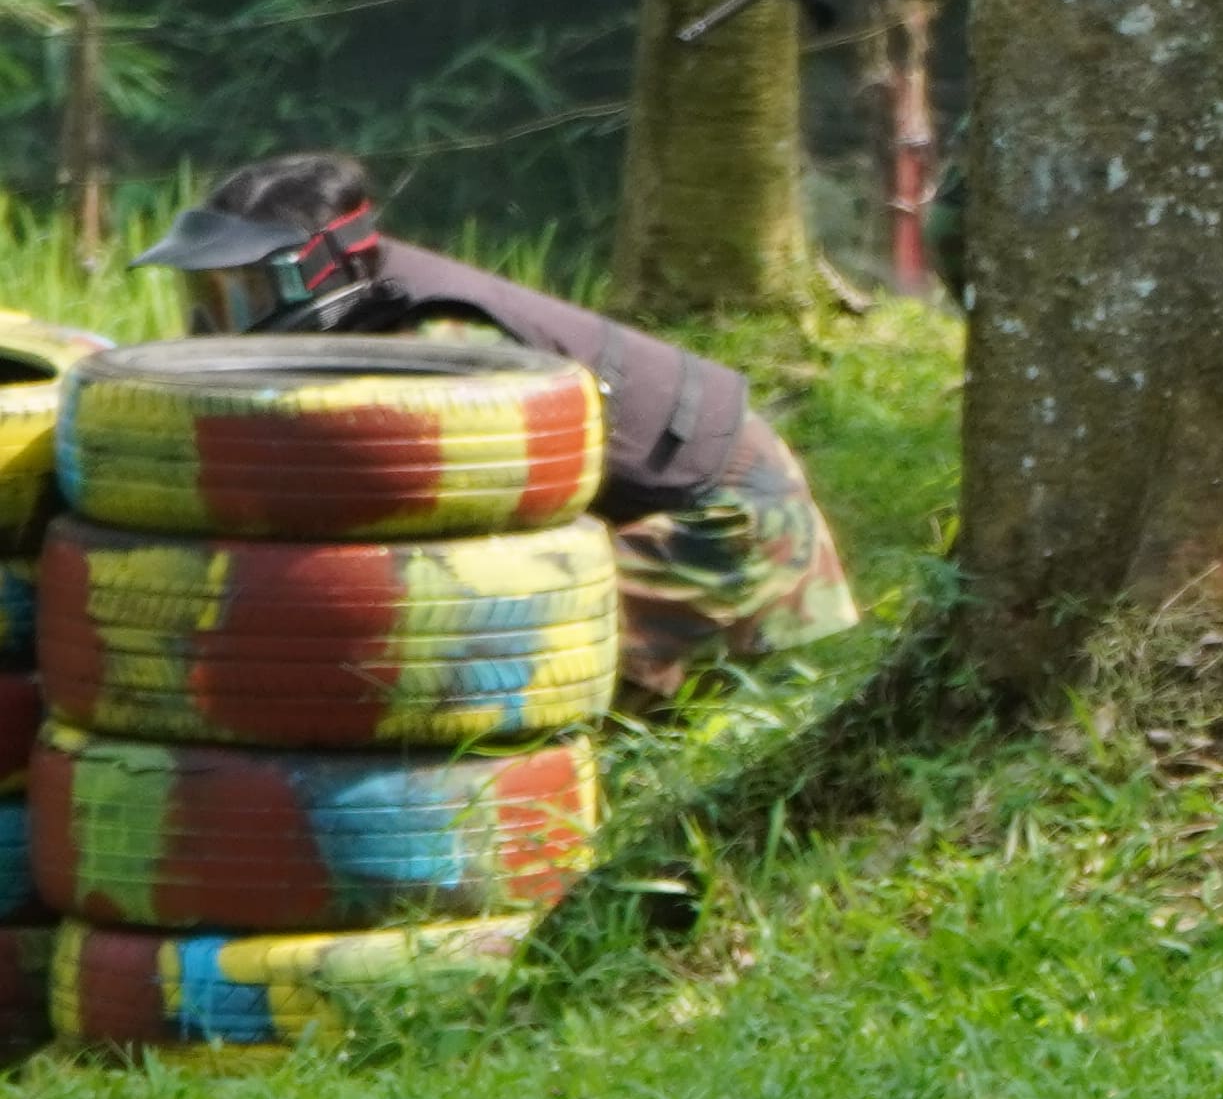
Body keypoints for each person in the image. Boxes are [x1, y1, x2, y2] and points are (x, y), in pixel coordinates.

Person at [133, 153, 863, 701]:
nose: (208, 326)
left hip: (732, 527)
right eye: (203, 295)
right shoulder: (373, 318)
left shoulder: (439, 349)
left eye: (236, 294)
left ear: (317, 274)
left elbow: (459, 546)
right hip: (671, 505)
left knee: (467, 666)